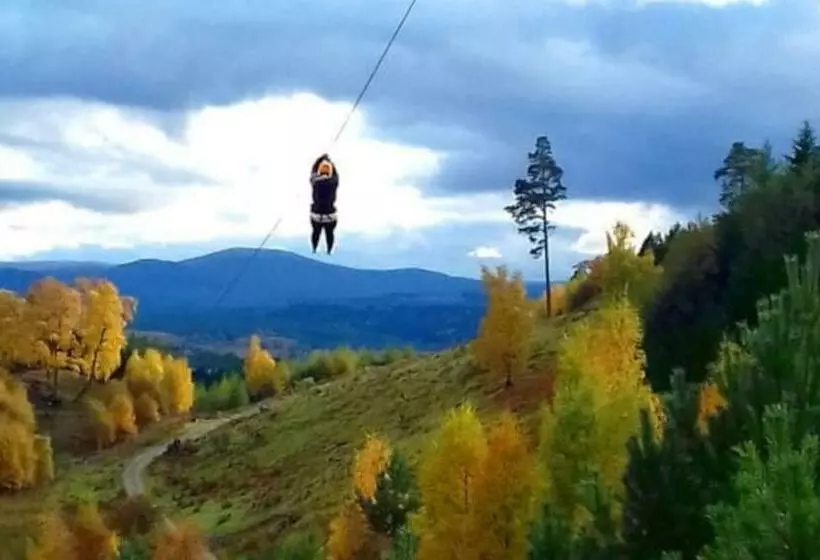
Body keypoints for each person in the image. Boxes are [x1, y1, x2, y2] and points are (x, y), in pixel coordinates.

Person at [309, 154, 339, 254]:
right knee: (330, 233)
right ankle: (329, 250)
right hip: (330, 215)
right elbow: (335, 174)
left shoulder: (314, 181)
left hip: (316, 214)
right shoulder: (333, 181)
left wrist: (320, 159)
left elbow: (313, 170)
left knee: (316, 232)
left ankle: (314, 248)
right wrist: (330, 162)